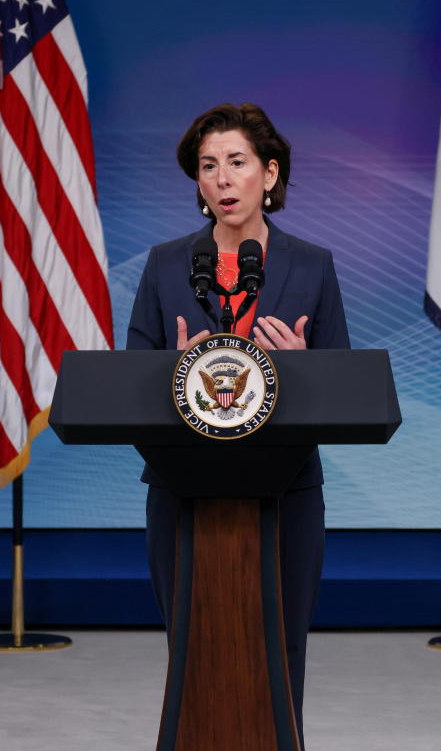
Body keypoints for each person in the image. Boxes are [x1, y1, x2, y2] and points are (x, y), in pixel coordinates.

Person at [127, 103, 349, 740]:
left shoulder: (312, 267)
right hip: (182, 491)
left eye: (237, 163)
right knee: (193, 651)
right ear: (197, 183)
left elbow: (344, 389)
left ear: (270, 174)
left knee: (283, 653)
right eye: (208, 167)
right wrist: (170, 370)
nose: (223, 179)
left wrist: (302, 368)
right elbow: (127, 380)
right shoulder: (168, 266)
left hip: (287, 492)